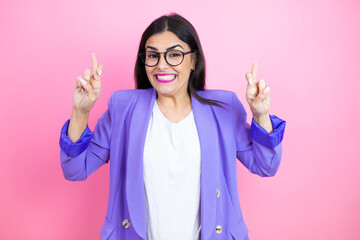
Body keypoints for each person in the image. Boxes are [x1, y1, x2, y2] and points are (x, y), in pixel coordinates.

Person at [59, 13, 285, 240]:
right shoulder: (122, 108)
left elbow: (266, 166)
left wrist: (260, 115)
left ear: (193, 60)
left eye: (174, 55)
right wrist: (81, 111)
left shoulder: (223, 109)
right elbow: (76, 169)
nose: (161, 65)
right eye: (153, 56)